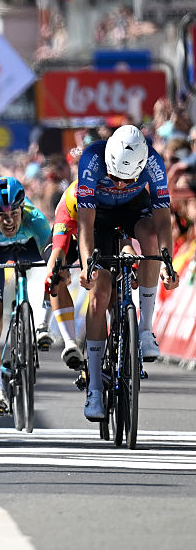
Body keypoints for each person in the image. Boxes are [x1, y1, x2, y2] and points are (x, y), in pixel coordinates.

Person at [76, 124, 179, 421]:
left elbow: (163, 220)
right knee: (99, 295)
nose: (120, 184)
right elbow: (85, 223)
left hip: (135, 209)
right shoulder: (91, 160)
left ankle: (145, 330)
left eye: (129, 178)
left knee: (149, 238)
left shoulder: (154, 163)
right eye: (115, 177)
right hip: (100, 216)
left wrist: (168, 263)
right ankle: (95, 388)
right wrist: (87, 265)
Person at [0, 177, 51, 416]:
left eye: (14, 213)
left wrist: (57, 272)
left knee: (57, 269)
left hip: (28, 246)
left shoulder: (34, 217)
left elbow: (52, 253)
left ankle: (42, 324)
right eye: (2, 215)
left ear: (21, 208)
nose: (9, 220)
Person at [44, 180, 87, 371]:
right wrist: (55, 273)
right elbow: (58, 249)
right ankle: (70, 342)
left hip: (98, 233)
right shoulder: (67, 203)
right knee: (57, 276)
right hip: (69, 236)